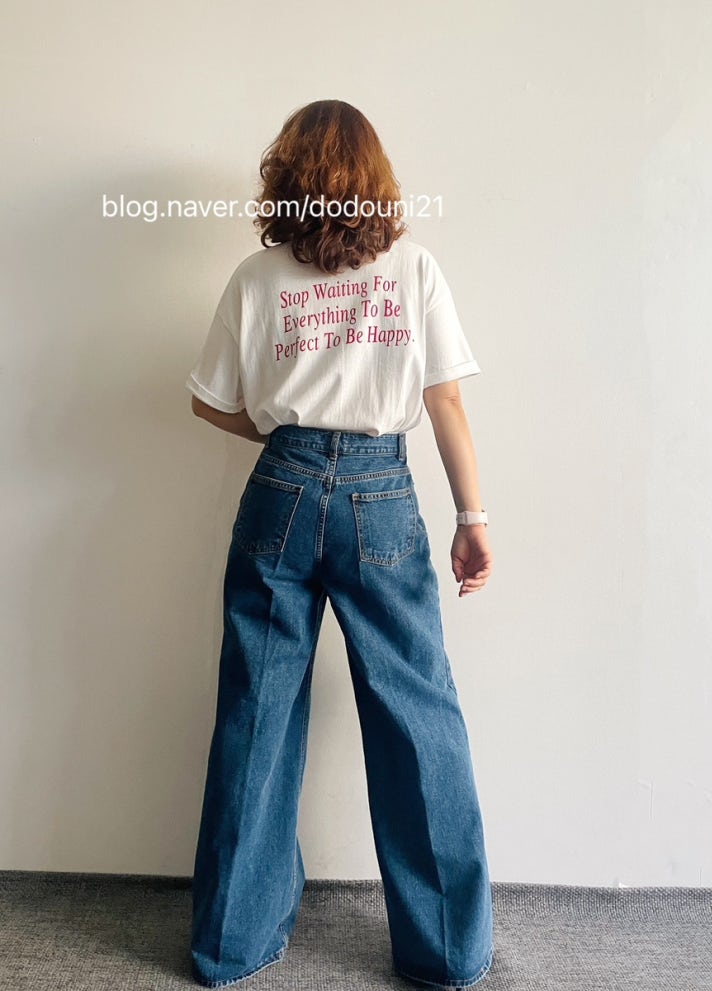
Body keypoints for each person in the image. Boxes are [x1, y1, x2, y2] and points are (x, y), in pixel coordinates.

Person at [185, 99, 495, 990]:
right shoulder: (413, 267)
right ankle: (446, 953)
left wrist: (286, 437)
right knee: (417, 712)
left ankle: (231, 945)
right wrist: (472, 518)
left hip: (279, 489)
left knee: (257, 709)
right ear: (376, 178)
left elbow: (209, 399)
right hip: (381, 494)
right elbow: (444, 399)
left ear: (285, 176)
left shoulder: (257, 276)